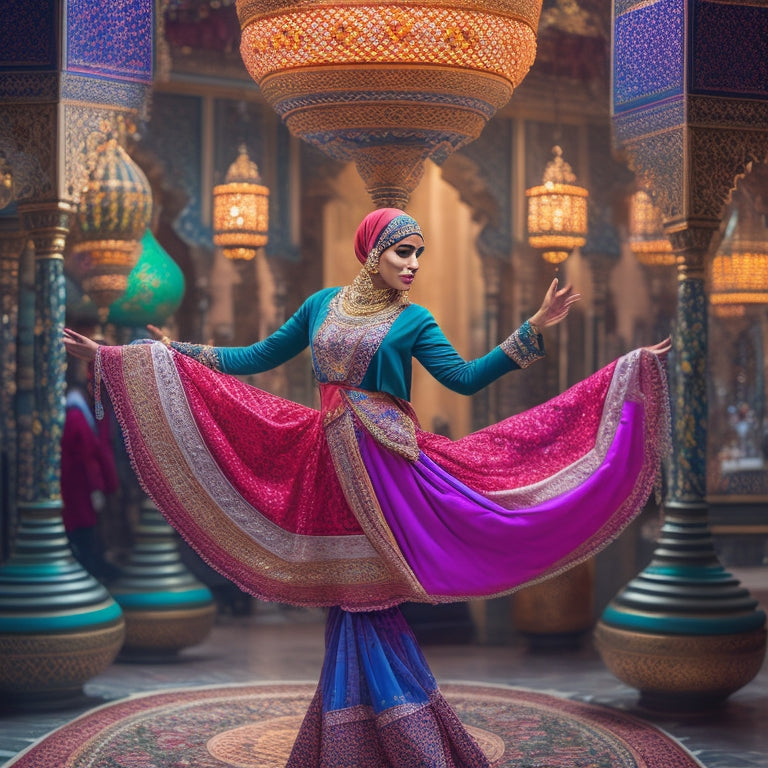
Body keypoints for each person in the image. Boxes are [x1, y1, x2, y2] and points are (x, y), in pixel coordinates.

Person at [63, 208, 670, 768]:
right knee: (351, 604)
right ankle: (378, 737)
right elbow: (258, 356)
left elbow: (464, 379)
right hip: (328, 461)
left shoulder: (414, 320)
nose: (412, 264)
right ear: (372, 252)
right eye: (403, 252)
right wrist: (157, 353)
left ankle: (386, 740)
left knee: (371, 601)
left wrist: (531, 329)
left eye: (419, 255)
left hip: (388, 466)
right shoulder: (322, 304)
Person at [60, 386, 120, 581]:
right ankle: (90, 571)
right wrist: (97, 488)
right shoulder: (78, 416)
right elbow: (88, 455)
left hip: (75, 486)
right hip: (80, 487)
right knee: (84, 530)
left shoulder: (74, 414)